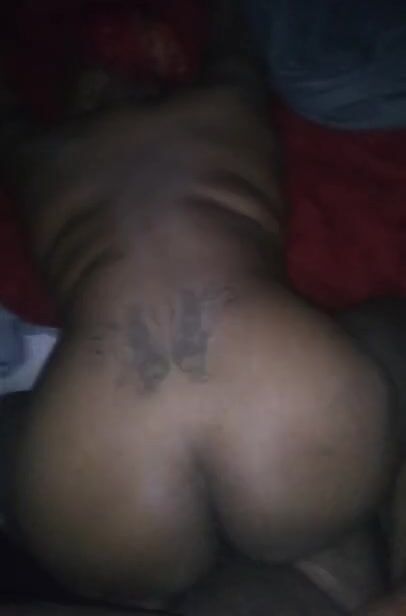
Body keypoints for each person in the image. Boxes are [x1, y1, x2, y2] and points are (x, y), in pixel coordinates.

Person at [0, 81, 402, 614]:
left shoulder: (44, 153)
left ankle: (159, 589)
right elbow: (242, 49)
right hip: (289, 412)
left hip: (97, 484)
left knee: (15, 429)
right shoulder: (219, 102)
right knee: (392, 329)